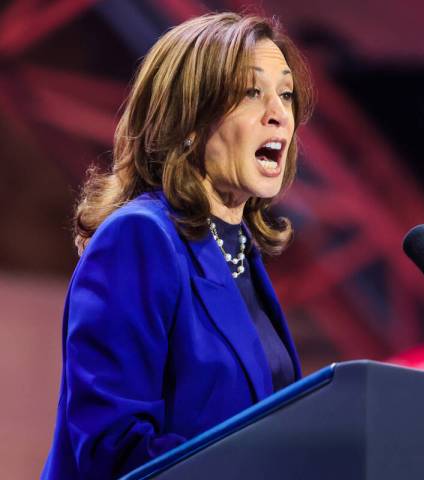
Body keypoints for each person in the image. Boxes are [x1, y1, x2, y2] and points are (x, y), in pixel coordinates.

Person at [41, 12, 314, 479]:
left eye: (285, 94)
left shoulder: (240, 253)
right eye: (252, 92)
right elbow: (115, 446)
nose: (278, 113)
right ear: (188, 119)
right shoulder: (140, 238)